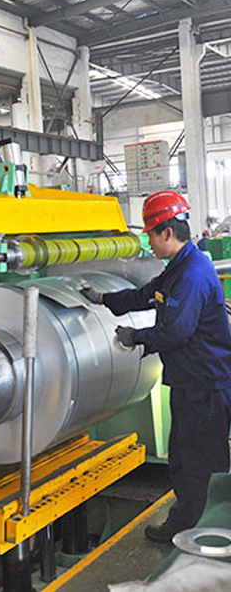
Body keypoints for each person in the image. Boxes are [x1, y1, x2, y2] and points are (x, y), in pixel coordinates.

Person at [81, 190, 231, 543]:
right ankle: (205, 523)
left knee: (196, 462)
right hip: (195, 381)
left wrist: (135, 337)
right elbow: (145, 294)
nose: (148, 242)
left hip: (203, 385)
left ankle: (195, 530)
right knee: (191, 456)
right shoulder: (181, 265)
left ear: (167, 232)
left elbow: (176, 331)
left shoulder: (191, 274)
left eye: (150, 234)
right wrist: (104, 299)